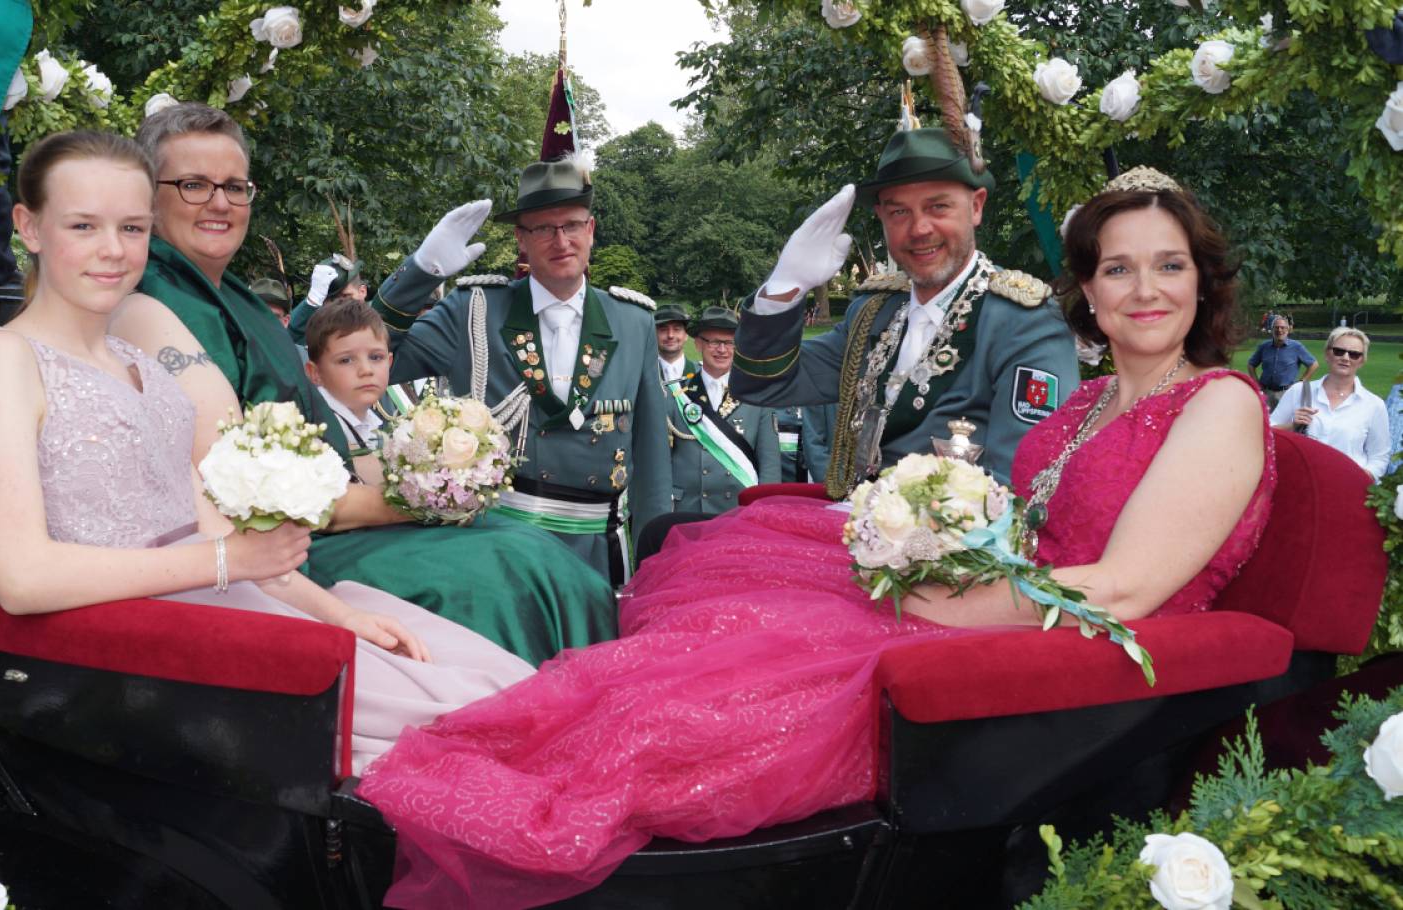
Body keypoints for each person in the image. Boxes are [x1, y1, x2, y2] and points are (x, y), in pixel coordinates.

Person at [356, 166, 1273, 909]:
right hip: (958, 576)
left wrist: (926, 580)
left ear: (1205, 279)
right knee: (700, 637)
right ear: (1090, 286)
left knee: (709, 701)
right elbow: (768, 381)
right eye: (1118, 268)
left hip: (1057, 645)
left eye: (1168, 266)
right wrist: (786, 288)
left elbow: (1119, 583)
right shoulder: (1078, 399)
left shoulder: (1206, 399)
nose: (1142, 289)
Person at [0, 130, 533, 772]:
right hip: (137, 641)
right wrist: (231, 560)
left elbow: (207, 527)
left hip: (227, 597)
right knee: (471, 721)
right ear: (28, 227)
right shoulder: (3, 356)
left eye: (132, 227)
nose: (113, 251)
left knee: (488, 677)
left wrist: (338, 615)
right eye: (83, 226)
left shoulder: (134, 354)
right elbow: (20, 578)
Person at [107, 103, 614, 666]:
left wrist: (440, 486)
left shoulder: (232, 298)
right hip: (278, 548)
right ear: (148, 195)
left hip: (326, 522)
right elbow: (242, 483)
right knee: (504, 577)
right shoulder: (158, 300)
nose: (220, 203)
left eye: (234, 186)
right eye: (193, 185)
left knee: (536, 555)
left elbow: (353, 389)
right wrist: (421, 501)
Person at [359, 153, 672, 586]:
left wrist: (659, 568)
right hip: (496, 549)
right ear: (521, 239)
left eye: (572, 225)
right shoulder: (473, 310)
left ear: (592, 230)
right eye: (543, 228)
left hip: (597, 557)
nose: (561, 240)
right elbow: (370, 359)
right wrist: (420, 273)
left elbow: (653, 459)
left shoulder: (632, 321)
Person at [730, 128, 1081, 492]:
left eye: (938, 206)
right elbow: (761, 385)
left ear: (976, 207)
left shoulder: (1025, 321)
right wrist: (784, 289)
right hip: (853, 522)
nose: (919, 229)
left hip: (956, 541)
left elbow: (1025, 483)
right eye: (899, 212)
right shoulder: (873, 313)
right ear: (882, 216)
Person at [666, 307, 781, 514]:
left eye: (730, 343)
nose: (722, 350)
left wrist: (764, 511)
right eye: (714, 342)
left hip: (738, 510)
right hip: (687, 510)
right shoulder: (675, 394)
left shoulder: (757, 396)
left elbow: (770, 464)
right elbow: (661, 462)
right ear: (698, 344)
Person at [1271, 326, 1390, 479]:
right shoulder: (1299, 392)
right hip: (1301, 483)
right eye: (1339, 351)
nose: (1345, 358)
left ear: (1361, 361)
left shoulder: (1373, 405)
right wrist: (1292, 425)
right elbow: (1268, 434)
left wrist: (1361, 479)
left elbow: (1379, 457)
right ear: (1327, 354)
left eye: (1354, 354)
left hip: (1346, 488)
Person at [304, 299, 391, 471]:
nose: (366, 370)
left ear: (389, 362)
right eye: (346, 360)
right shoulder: (316, 435)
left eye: (376, 357)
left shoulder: (372, 423)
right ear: (315, 373)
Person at [287, 252, 368, 344]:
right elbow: (282, 340)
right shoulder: (319, 334)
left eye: (345, 296)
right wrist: (312, 301)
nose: (339, 305)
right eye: (331, 299)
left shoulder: (381, 322)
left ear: (362, 291)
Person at [1246, 315, 1316, 411]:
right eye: (1276, 327)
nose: (1279, 330)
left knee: (1282, 423)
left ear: (1288, 330)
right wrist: (1256, 383)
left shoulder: (1296, 347)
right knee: (1264, 422)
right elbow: (1251, 364)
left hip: (1286, 393)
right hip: (1266, 392)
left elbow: (1313, 364)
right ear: (1272, 330)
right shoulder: (1264, 346)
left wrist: (1301, 382)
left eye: (1283, 327)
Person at [654, 303, 697, 383]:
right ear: (654, 334)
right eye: (663, 329)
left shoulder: (701, 373)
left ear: (686, 334)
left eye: (677, 329)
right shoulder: (643, 374)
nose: (670, 335)